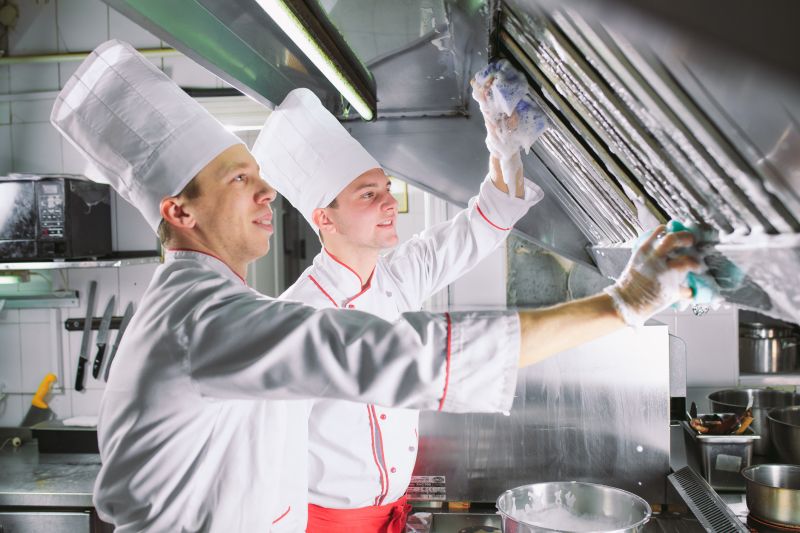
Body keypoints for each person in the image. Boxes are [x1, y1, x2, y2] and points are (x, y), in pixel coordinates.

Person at [51, 40, 699, 533]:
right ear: (179, 211)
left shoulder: (231, 306)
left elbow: (470, 235)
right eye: (238, 178)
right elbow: (400, 356)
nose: (265, 191)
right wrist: (624, 304)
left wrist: (505, 153)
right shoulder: (208, 320)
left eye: (259, 175)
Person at [251, 85, 544, 532]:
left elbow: (488, 220)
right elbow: (268, 459)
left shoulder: (401, 277)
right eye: (368, 195)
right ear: (324, 218)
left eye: (386, 189)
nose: (390, 203)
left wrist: (503, 148)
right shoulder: (294, 320)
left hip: (395, 515)